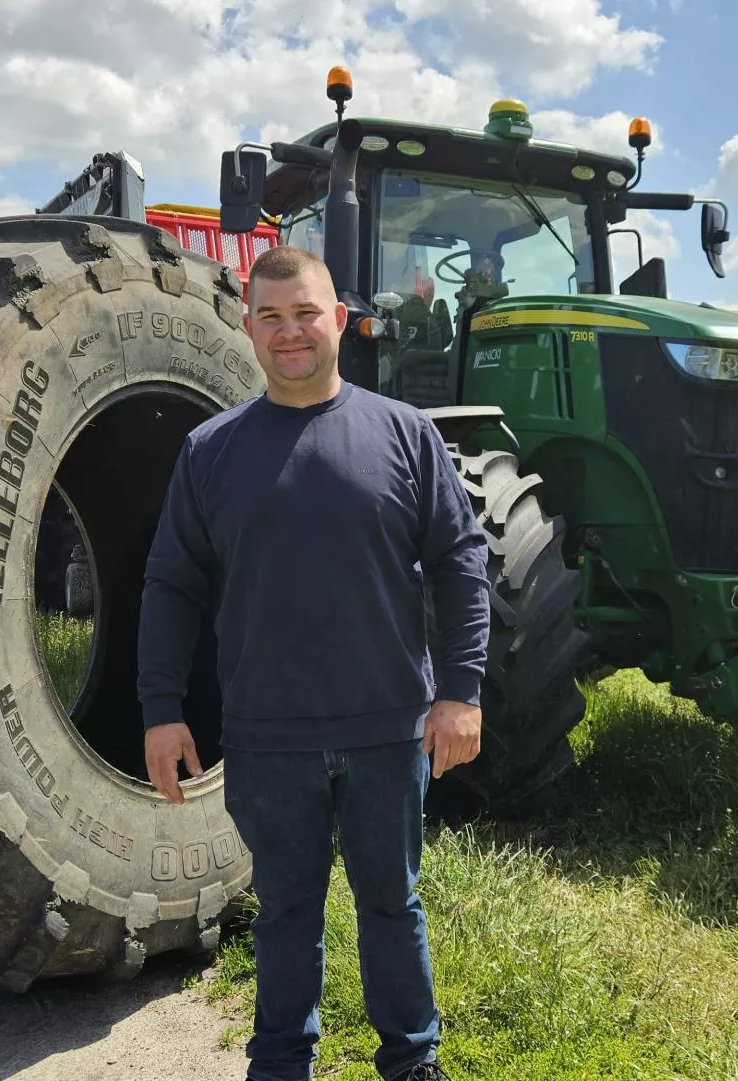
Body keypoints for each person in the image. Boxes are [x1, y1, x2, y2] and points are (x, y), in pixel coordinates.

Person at [135, 245, 492, 1081]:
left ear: (339, 320)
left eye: (306, 313)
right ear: (248, 326)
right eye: (271, 315)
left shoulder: (405, 435)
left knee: (391, 906)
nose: (289, 331)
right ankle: (280, 1064)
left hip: (386, 730)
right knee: (287, 911)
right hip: (267, 739)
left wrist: (462, 692)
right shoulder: (211, 451)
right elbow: (170, 584)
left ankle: (411, 1063)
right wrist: (160, 707)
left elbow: (461, 560)